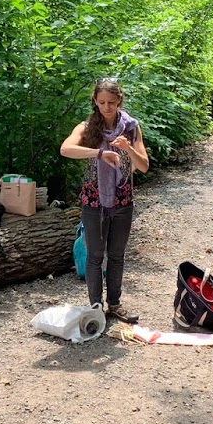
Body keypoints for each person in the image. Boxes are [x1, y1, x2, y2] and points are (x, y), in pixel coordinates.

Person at [60, 78, 150, 323]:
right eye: (102, 102)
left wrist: (128, 149)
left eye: (111, 102)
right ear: (95, 102)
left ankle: (115, 304)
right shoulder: (88, 126)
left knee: (117, 254)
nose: (107, 107)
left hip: (123, 200)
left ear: (119, 100)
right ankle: (96, 306)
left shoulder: (131, 128)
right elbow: (65, 149)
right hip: (93, 201)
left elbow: (143, 166)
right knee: (95, 256)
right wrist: (100, 152)